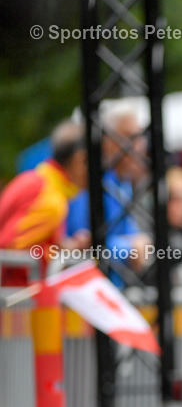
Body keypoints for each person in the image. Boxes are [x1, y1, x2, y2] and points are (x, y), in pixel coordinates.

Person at [67, 102, 152, 282]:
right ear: (106, 140)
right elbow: (82, 241)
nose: (139, 146)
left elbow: (131, 236)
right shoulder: (87, 180)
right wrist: (129, 248)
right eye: (130, 136)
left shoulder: (123, 183)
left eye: (140, 137)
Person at [0, 119, 89, 286]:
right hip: (19, 303)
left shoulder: (31, 179)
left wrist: (63, 246)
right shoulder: (51, 201)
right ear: (79, 160)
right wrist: (59, 255)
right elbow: (11, 250)